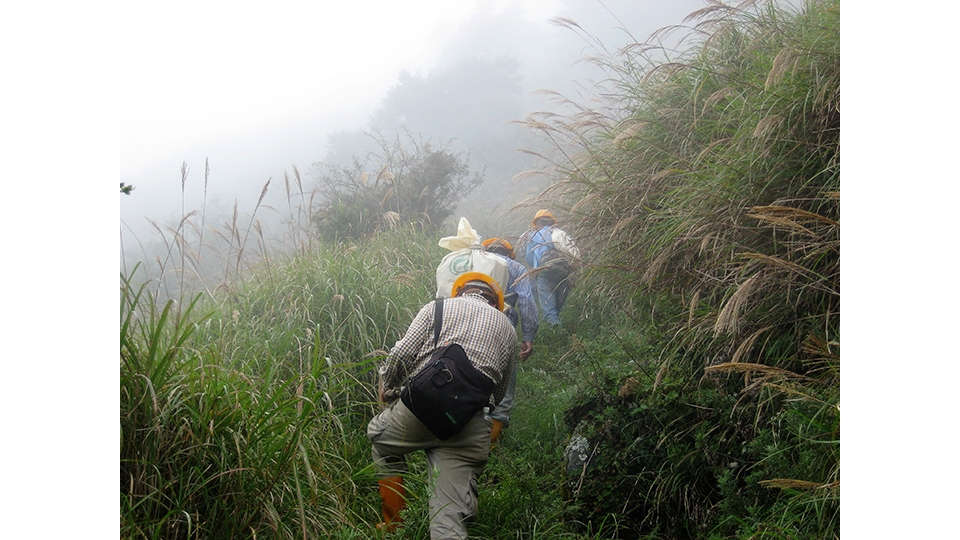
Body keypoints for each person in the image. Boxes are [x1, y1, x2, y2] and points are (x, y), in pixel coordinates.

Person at [367, 272, 518, 539]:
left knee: (381, 441)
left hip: (417, 411)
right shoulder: (508, 329)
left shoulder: (437, 308)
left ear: (458, 291)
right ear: (497, 302)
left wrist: (389, 389)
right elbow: (498, 391)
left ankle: (394, 524)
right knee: (448, 522)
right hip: (467, 423)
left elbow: (401, 354)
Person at [481, 238, 538, 445]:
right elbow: (526, 302)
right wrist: (528, 336)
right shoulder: (515, 267)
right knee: (505, 384)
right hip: (502, 325)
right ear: (510, 253)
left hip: (465, 320)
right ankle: (490, 446)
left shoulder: (474, 262)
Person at [517, 209, 580, 327]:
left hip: (543, 276)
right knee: (556, 308)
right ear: (552, 222)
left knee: (550, 312)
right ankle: (560, 330)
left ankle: (557, 336)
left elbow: (526, 256)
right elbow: (575, 255)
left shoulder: (529, 236)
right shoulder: (560, 233)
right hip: (563, 276)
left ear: (536, 223)